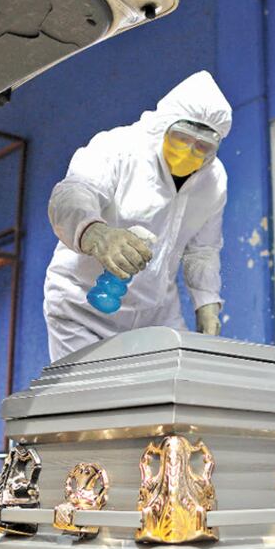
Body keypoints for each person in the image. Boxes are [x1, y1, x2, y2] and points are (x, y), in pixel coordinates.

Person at [43, 71, 231, 362]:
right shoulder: (119, 149)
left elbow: (203, 250)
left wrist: (207, 303)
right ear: (163, 127)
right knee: (93, 403)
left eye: (203, 146)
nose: (189, 152)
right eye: (181, 138)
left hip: (156, 314)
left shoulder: (213, 181)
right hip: (83, 310)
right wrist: (98, 235)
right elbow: (73, 193)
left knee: (175, 396)